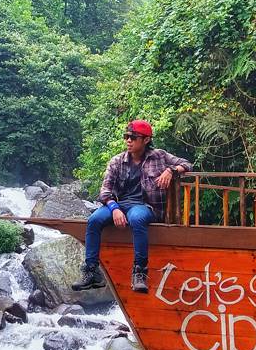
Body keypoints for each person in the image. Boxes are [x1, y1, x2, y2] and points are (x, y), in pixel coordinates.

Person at [72, 120, 192, 293]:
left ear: (146, 140)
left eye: (133, 137)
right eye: (126, 136)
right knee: (94, 220)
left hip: (146, 206)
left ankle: (139, 272)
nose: (128, 140)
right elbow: (105, 191)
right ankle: (91, 273)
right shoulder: (117, 161)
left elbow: (187, 163)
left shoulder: (159, 156)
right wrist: (115, 209)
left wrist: (171, 170)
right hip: (119, 204)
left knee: (136, 218)